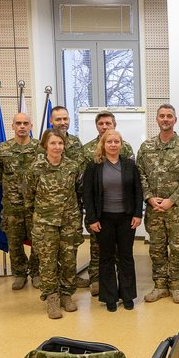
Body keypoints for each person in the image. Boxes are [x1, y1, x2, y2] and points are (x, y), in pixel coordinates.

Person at [137, 104, 179, 304]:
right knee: (156, 248)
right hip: (154, 209)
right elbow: (140, 175)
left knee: (178, 248)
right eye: (162, 116)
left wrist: (172, 200)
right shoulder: (146, 147)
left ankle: (176, 285)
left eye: (169, 116)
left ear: (175, 120)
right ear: (157, 120)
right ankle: (160, 285)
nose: (165, 119)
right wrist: (149, 197)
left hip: (177, 210)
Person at [83, 129, 143, 312]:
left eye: (116, 141)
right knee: (106, 257)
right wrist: (92, 218)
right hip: (103, 219)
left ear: (121, 144)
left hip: (126, 218)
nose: (113, 145)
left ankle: (127, 295)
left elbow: (138, 191)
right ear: (103, 144)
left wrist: (137, 214)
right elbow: (87, 194)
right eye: (109, 142)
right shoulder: (94, 166)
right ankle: (109, 297)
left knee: (126, 256)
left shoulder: (129, 165)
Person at [27, 129, 84, 319]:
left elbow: (79, 190)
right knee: (47, 261)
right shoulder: (35, 168)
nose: (57, 147)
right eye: (53, 143)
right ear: (45, 145)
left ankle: (66, 294)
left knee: (69, 259)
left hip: (69, 221)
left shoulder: (73, 167)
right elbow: (28, 195)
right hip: (45, 223)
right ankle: (52, 297)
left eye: (60, 143)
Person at [80, 111, 134, 296]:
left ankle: (123, 286)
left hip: (122, 210)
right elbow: (84, 182)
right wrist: (91, 213)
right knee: (98, 249)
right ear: (97, 126)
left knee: (122, 251)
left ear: (114, 125)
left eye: (108, 123)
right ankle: (97, 280)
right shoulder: (87, 150)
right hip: (99, 210)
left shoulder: (125, 147)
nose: (104, 126)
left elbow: (132, 179)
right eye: (101, 123)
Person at [0, 113, 42, 291]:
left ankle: (36, 272)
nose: (22, 126)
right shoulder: (2, 149)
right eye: (18, 123)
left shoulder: (40, 148)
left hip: (35, 205)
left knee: (38, 240)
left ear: (31, 126)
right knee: (14, 242)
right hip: (12, 205)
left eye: (25, 123)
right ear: (12, 126)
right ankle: (20, 274)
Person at [49, 105, 88, 290]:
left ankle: (70, 276)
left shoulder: (75, 142)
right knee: (49, 245)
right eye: (58, 119)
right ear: (51, 121)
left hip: (72, 204)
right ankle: (51, 278)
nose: (62, 122)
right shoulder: (44, 142)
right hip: (49, 207)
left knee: (71, 243)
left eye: (65, 119)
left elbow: (80, 172)